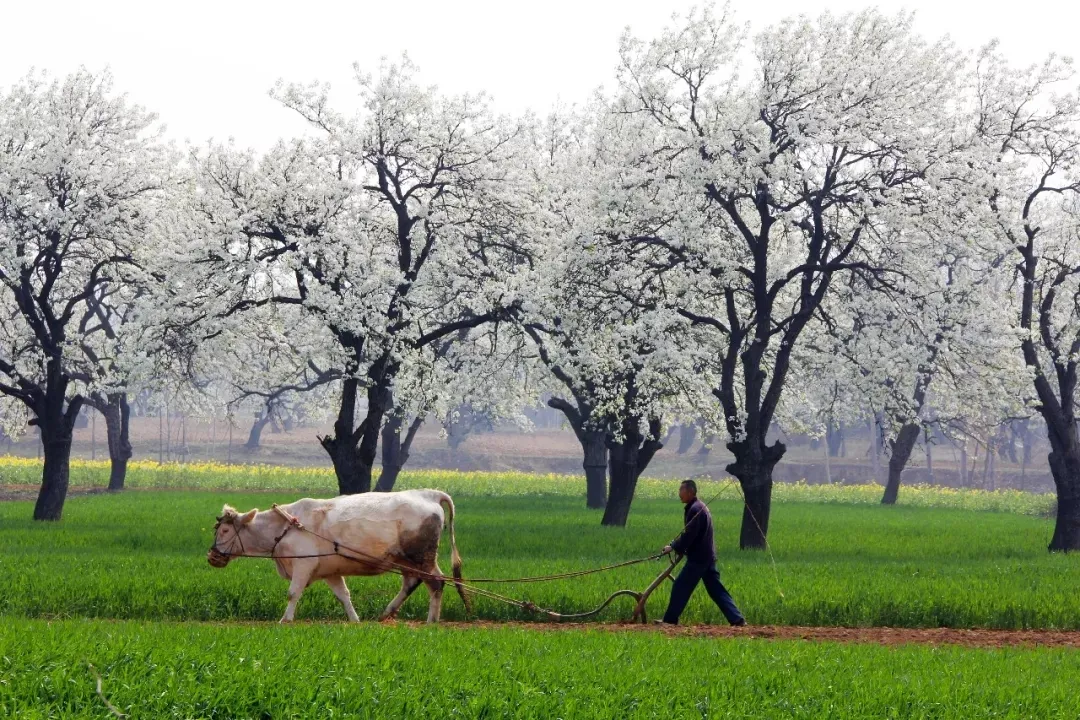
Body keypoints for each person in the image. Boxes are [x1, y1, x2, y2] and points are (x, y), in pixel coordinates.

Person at [658, 480, 746, 626]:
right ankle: (737, 619)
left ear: (691, 492)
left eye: (682, 490)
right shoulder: (698, 507)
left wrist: (673, 546)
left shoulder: (695, 509)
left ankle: (670, 620)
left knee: (680, 586)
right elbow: (691, 535)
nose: (679, 493)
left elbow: (689, 535)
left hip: (699, 559)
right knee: (716, 590)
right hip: (707, 557)